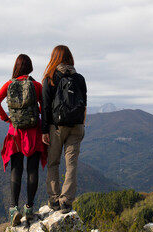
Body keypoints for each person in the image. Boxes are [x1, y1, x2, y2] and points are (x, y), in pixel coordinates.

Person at [0, 54, 46, 226]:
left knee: (16, 170)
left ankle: (14, 209)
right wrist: (35, 111)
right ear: (30, 67)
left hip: (15, 132)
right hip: (33, 132)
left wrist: (6, 118)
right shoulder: (36, 85)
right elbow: (43, 107)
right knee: (32, 170)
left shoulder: (9, 84)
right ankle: (29, 208)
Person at [41, 45, 87, 213]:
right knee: (71, 165)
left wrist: (44, 130)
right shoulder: (80, 78)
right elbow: (84, 105)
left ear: (54, 58)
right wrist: (81, 125)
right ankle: (66, 202)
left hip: (56, 128)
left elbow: (45, 107)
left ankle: (54, 200)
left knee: (53, 163)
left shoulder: (50, 78)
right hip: (76, 127)